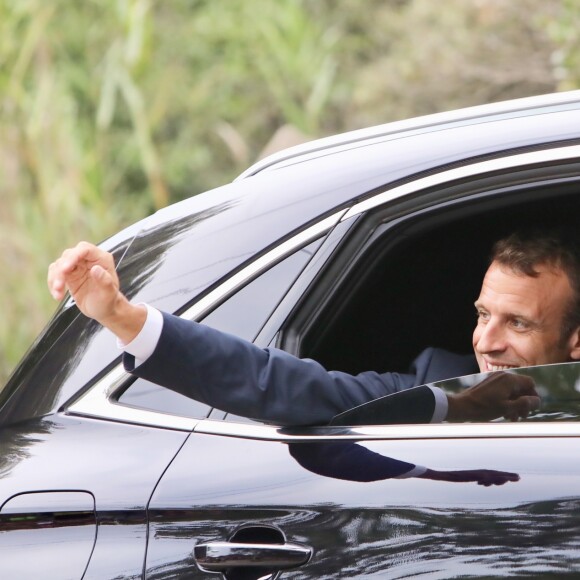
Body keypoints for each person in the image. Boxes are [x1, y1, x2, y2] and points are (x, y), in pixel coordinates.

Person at [47, 230, 580, 426]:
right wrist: (120, 315)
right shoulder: (438, 388)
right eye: (483, 315)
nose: (486, 342)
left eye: (517, 323)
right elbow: (283, 384)